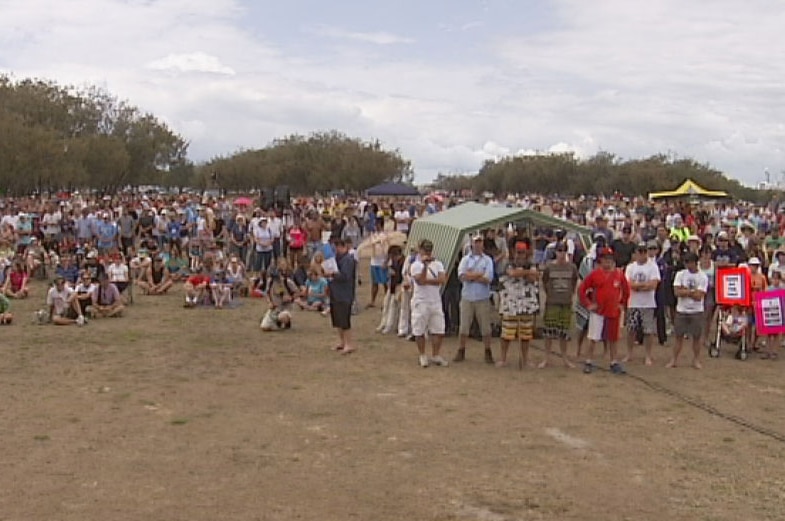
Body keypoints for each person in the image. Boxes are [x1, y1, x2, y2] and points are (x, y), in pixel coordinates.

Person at [578, 247, 630, 374]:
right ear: (601, 260)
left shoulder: (619, 274)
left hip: (613, 312)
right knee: (593, 338)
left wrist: (622, 304)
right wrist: (588, 304)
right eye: (605, 259)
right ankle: (588, 361)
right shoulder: (595, 274)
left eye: (610, 259)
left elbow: (626, 290)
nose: (608, 262)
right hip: (598, 311)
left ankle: (613, 361)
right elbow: (581, 290)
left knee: (613, 339)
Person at [497, 241, 541, 368]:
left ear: (526, 253)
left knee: (526, 334)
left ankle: (525, 359)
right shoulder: (507, 263)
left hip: (526, 305)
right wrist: (527, 272)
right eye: (518, 252)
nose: (520, 255)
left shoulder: (531, 264)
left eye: (522, 252)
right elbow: (512, 273)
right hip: (510, 305)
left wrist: (524, 272)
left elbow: (534, 278)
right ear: (514, 252)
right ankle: (503, 359)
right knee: (507, 334)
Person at [453, 235, 495, 364]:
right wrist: (479, 275)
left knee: (486, 327)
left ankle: (488, 351)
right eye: (476, 242)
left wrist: (471, 275)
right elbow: (461, 276)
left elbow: (488, 278)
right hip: (468, 296)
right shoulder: (465, 259)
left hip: (482, 297)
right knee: (464, 326)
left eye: (480, 242)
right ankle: (461, 350)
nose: (478, 245)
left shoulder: (488, 260)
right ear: (472, 244)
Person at [667, 252, 709, 369]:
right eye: (685, 262)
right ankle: (674, 359)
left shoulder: (702, 277)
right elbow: (676, 292)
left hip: (696, 311)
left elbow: (699, 296)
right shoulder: (680, 274)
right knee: (678, 337)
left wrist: (685, 291)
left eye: (689, 262)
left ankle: (696, 360)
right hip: (682, 310)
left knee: (696, 337)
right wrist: (691, 292)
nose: (687, 265)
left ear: (695, 263)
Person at [409, 239, 447, 368]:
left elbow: (442, 279)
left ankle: (436, 354)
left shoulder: (438, 264)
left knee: (439, 329)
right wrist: (425, 266)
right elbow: (420, 281)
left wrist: (428, 280)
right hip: (421, 301)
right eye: (425, 249)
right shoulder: (415, 265)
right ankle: (422, 354)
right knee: (419, 330)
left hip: (435, 300)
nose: (427, 252)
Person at [540, 241, 579, 368]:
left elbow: (574, 282)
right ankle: (546, 358)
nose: (561, 254)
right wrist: (550, 294)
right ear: (555, 252)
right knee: (548, 333)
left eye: (564, 251)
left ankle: (565, 358)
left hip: (566, 303)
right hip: (552, 302)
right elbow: (544, 282)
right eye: (559, 251)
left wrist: (570, 294)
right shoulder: (549, 267)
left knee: (564, 333)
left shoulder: (572, 267)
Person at [624, 243, 661, 365]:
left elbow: (653, 285)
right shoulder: (630, 267)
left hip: (648, 304)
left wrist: (637, 286)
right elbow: (628, 284)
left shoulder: (653, 267)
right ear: (635, 253)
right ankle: (629, 354)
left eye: (644, 251)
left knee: (648, 331)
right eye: (640, 251)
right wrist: (643, 286)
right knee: (631, 330)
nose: (642, 254)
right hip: (633, 303)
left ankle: (648, 355)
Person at [328, 239, 357, 354]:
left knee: (345, 320)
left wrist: (333, 274)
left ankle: (349, 343)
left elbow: (345, 276)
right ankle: (342, 342)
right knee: (337, 319)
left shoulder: (348, 260)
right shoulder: (336, 259)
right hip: (335, 292)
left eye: (338, 248)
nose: (336, 250)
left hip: (344, 293)